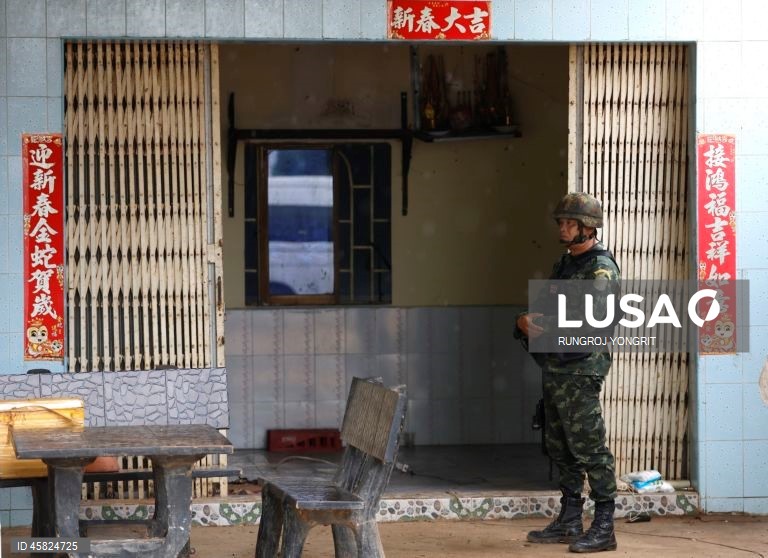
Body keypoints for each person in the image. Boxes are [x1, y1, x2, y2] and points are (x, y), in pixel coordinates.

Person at [515, 192, 620, 553]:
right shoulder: (566, 264)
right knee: (561, 447)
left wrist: (547, 329)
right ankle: (570, 518)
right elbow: (547, 308)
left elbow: (597, 327)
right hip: (557, 370)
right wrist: (525, 322)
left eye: (569, 222)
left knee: (590, 448)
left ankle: (604, 526)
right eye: (561, 221)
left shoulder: (600, 270)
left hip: (580, 370)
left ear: (587, 228)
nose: (562, 227)